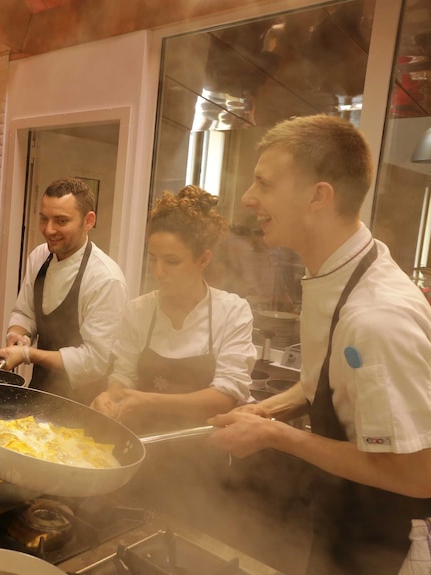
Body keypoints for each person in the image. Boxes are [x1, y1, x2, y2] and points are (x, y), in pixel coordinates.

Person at [206, 115, 431, 575]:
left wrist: (274, 435)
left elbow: (418, 472)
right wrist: (269, 409)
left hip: (390, 543)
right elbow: (322, 384)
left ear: (318, 196)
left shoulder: (376, 317)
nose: (248, 199)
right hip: (343, 521)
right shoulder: (333, 273)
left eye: (264, 184)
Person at [91, 185, 256, 432]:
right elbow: (123, 376)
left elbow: (225, 397)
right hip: (143, 443)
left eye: (172, 261)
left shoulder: (232, 312)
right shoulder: (139, 311)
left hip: (205, 451)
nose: (158, 271)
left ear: (203, 260)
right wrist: (110, 396)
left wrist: (147, 400)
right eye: (152, 258)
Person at [0, 177, 128, 404]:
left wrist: (28, 354)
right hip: (41, 390)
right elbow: (25, 312)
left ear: (88, 221)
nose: (49, 230)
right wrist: (18, 335)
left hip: (86, 404)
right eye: (44, 219)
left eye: (61, 221)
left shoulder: (105, 279)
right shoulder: (39, 257)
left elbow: (95, 361)